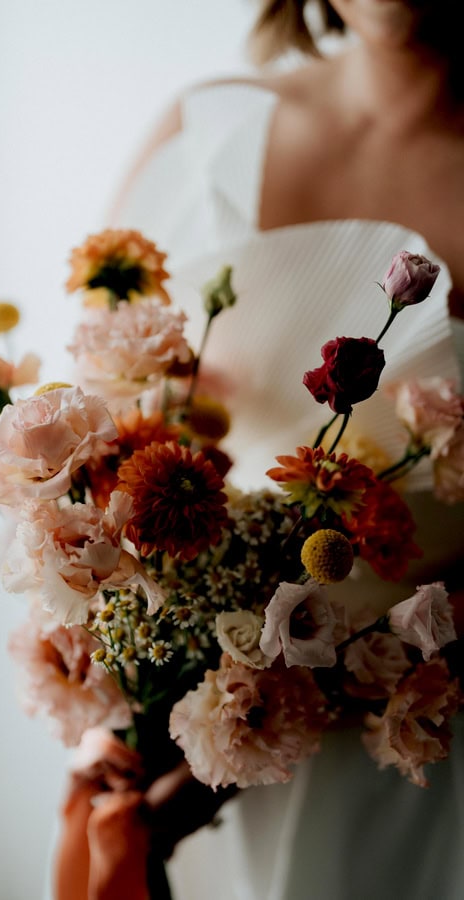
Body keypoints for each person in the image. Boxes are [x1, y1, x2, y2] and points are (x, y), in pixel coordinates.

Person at [103, 2, 464, 899]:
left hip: (426, 760)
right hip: (188, 744)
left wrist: (314, 689)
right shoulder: (208, 135)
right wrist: (137, 715)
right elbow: (95, 437)